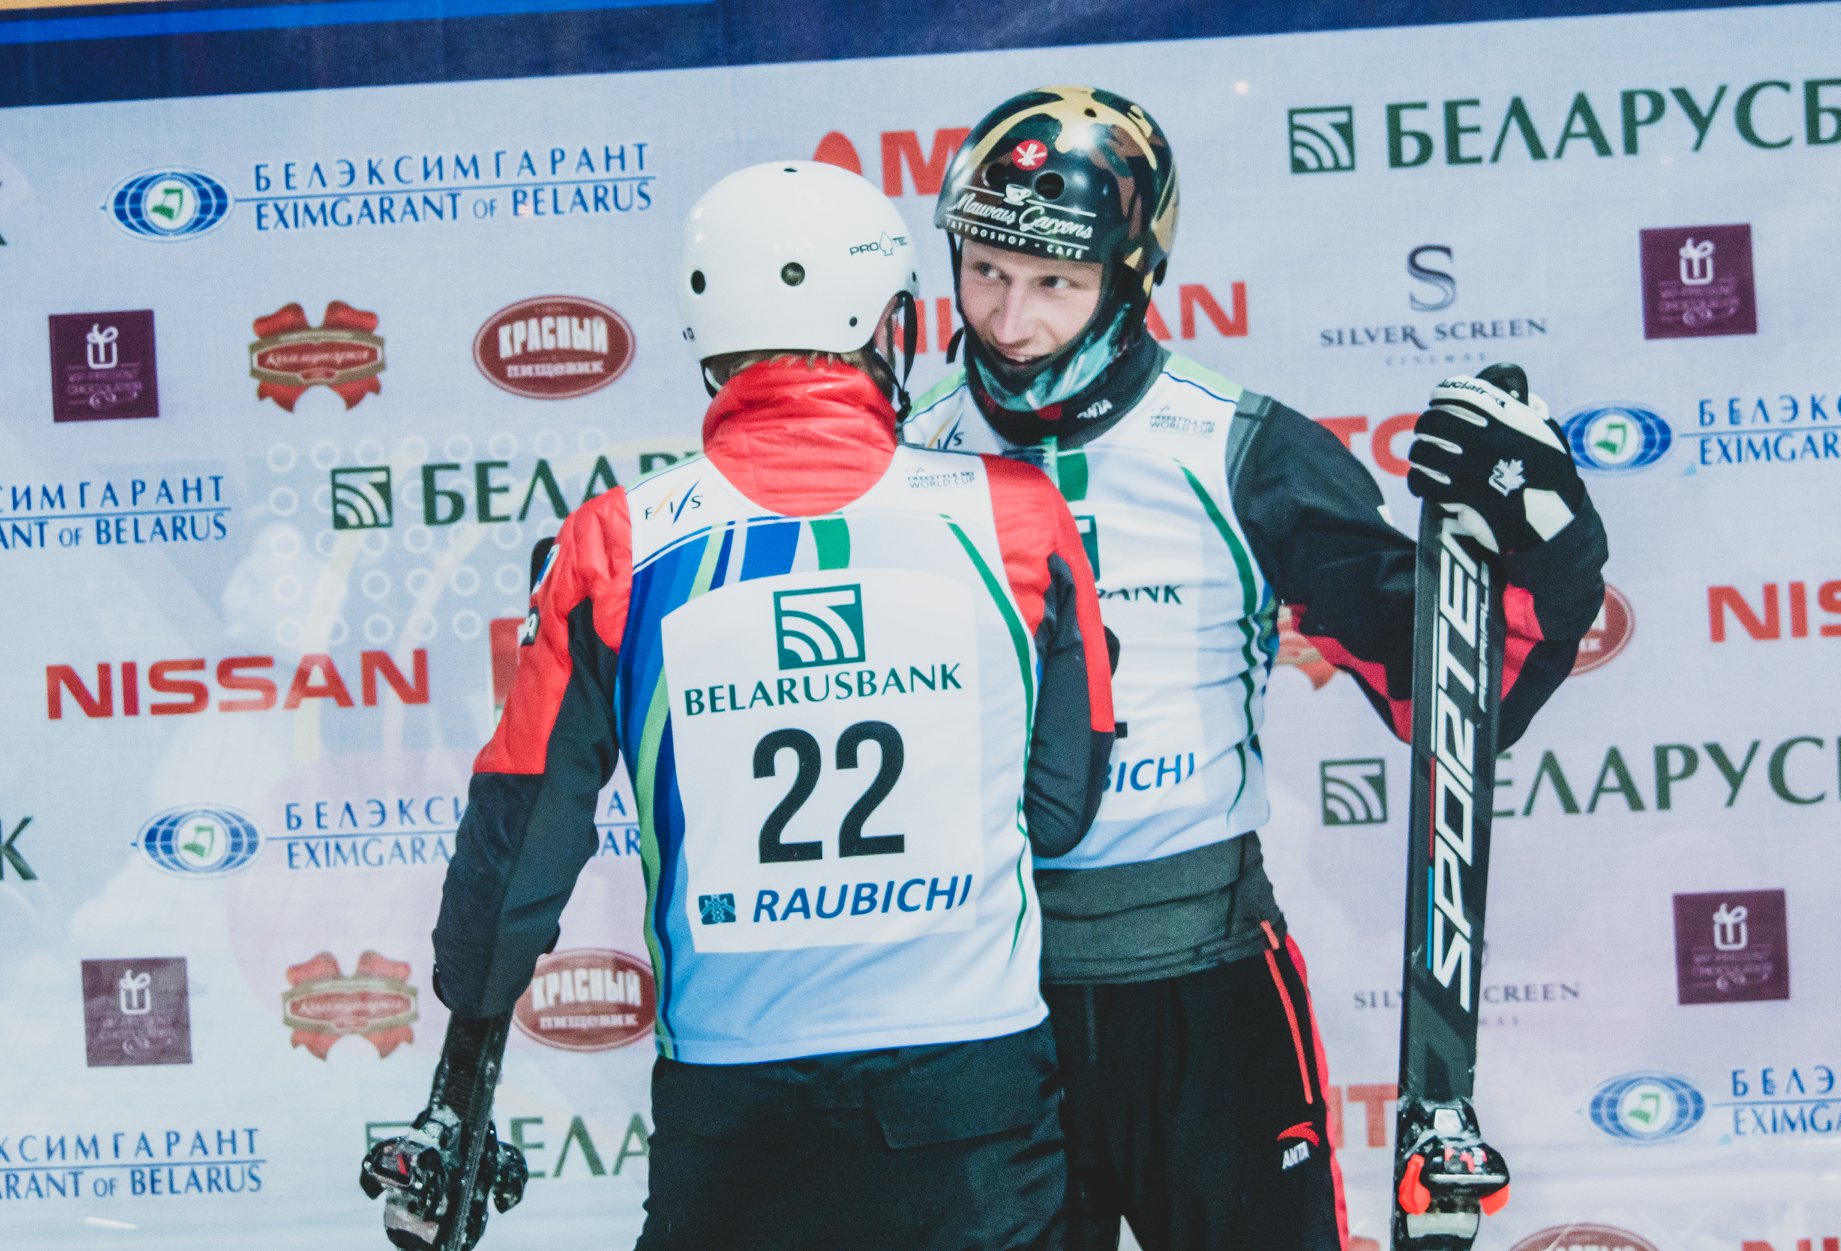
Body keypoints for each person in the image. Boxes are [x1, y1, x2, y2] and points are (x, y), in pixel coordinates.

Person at [901, 86, 1610, 1251]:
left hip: (1208, 988)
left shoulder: (1241, 449)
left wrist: (1549, 534)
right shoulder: (905, 447)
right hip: (979, 992)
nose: (1010, 320)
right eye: (984, 271)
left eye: (1054, 284)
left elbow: (1455, 694)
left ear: (1129, 279)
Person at [365, 159, 1114, 1251]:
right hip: (972, 1091)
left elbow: (522, 832)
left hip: (735, 1100)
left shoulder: (618, 542)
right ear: (881, 321)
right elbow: (1063, 804)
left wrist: (469, 1020)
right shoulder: (1018, 516)